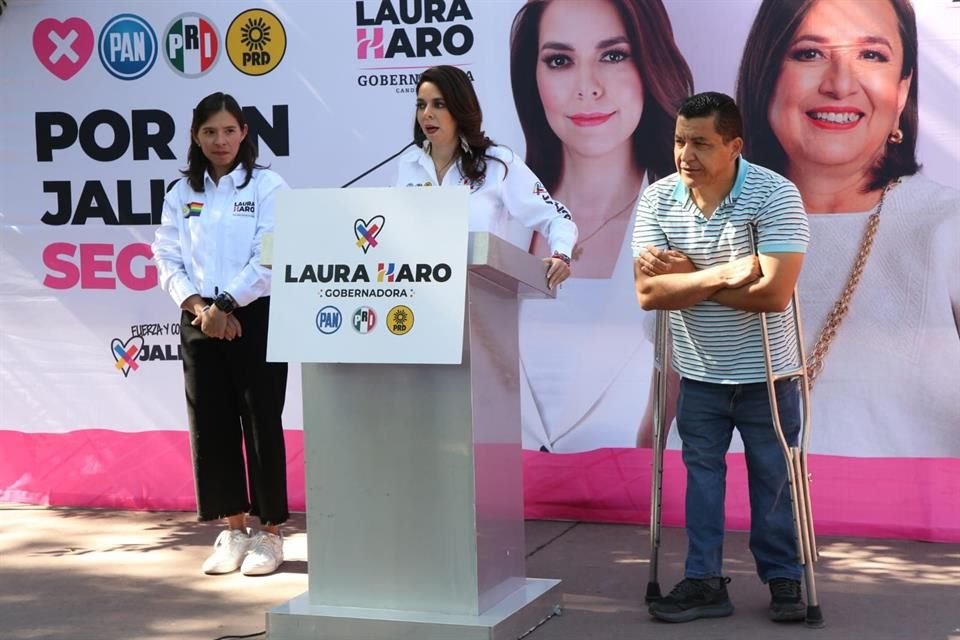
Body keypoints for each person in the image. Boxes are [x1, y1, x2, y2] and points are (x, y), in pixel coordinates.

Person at [733, 0, 960, 457]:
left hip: (891, 528)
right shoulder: (708, 229)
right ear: (765, 76)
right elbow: (662, 433)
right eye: (809, 53)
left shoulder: (947, 227)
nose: (839, 84)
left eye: (871, 55)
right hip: (711, 524)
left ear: (902, 88)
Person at [632, 92, 810, 623]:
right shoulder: (659, 200)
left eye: (701, 143)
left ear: (734, 145)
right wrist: (725, 273)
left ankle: (784, 579)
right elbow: (648, 295)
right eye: (680, 141)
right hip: (700, 372)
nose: (686, 154)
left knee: (773, 476)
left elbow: (775, 294)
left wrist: (685, 279)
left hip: (767, 373)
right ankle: (704, 581)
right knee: (701, 476)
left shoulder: (775, 195)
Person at [509, 0, 693, 451]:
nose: (586, 88)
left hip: (633, 509)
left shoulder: (694, 221)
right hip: (503, 504)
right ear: (532, 79)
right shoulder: (497, 216)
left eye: (613, 55)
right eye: (559, 60)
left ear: (650, 65)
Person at [152, 92, 290, 576]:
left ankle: (270, 533)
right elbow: (166, 257)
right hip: (197, 318)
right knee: (210, 425)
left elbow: (270, 255)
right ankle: (233, 528)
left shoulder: (268, 186)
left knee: (259, 421)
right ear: (195, 136)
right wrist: (199, 307)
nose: (220, 140)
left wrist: (226, 304)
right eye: (210, 131)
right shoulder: (180, 192)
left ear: (244, 133)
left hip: (252, 315)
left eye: (229, 130)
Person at [396, 65, 577, 289]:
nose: (427, 114)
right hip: (420, 296)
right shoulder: (409, 164)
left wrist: (561, 255)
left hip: (483, 296)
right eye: (421, 105)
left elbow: (556, 217)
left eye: (439, 104)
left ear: (460, 108)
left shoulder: (496, 163)